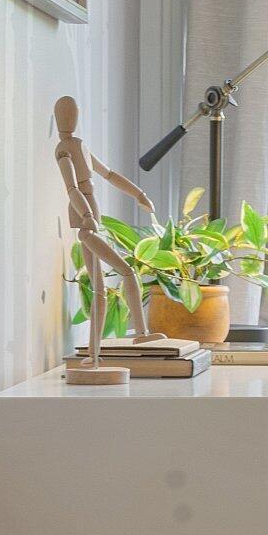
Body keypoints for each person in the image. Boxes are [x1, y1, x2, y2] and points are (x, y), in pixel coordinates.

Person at [55, 95, 153, 368]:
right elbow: (71, 188)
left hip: (91, 216)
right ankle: (140, 334)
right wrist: (86, 215)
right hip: (86, 224)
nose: (71, 118)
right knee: (125, 271)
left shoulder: (79, 145)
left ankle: (94, 355)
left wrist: (139, 194)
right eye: (67, 113)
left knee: (100, 290)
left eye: (74, 112)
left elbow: (109, 174)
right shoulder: (63, 150)